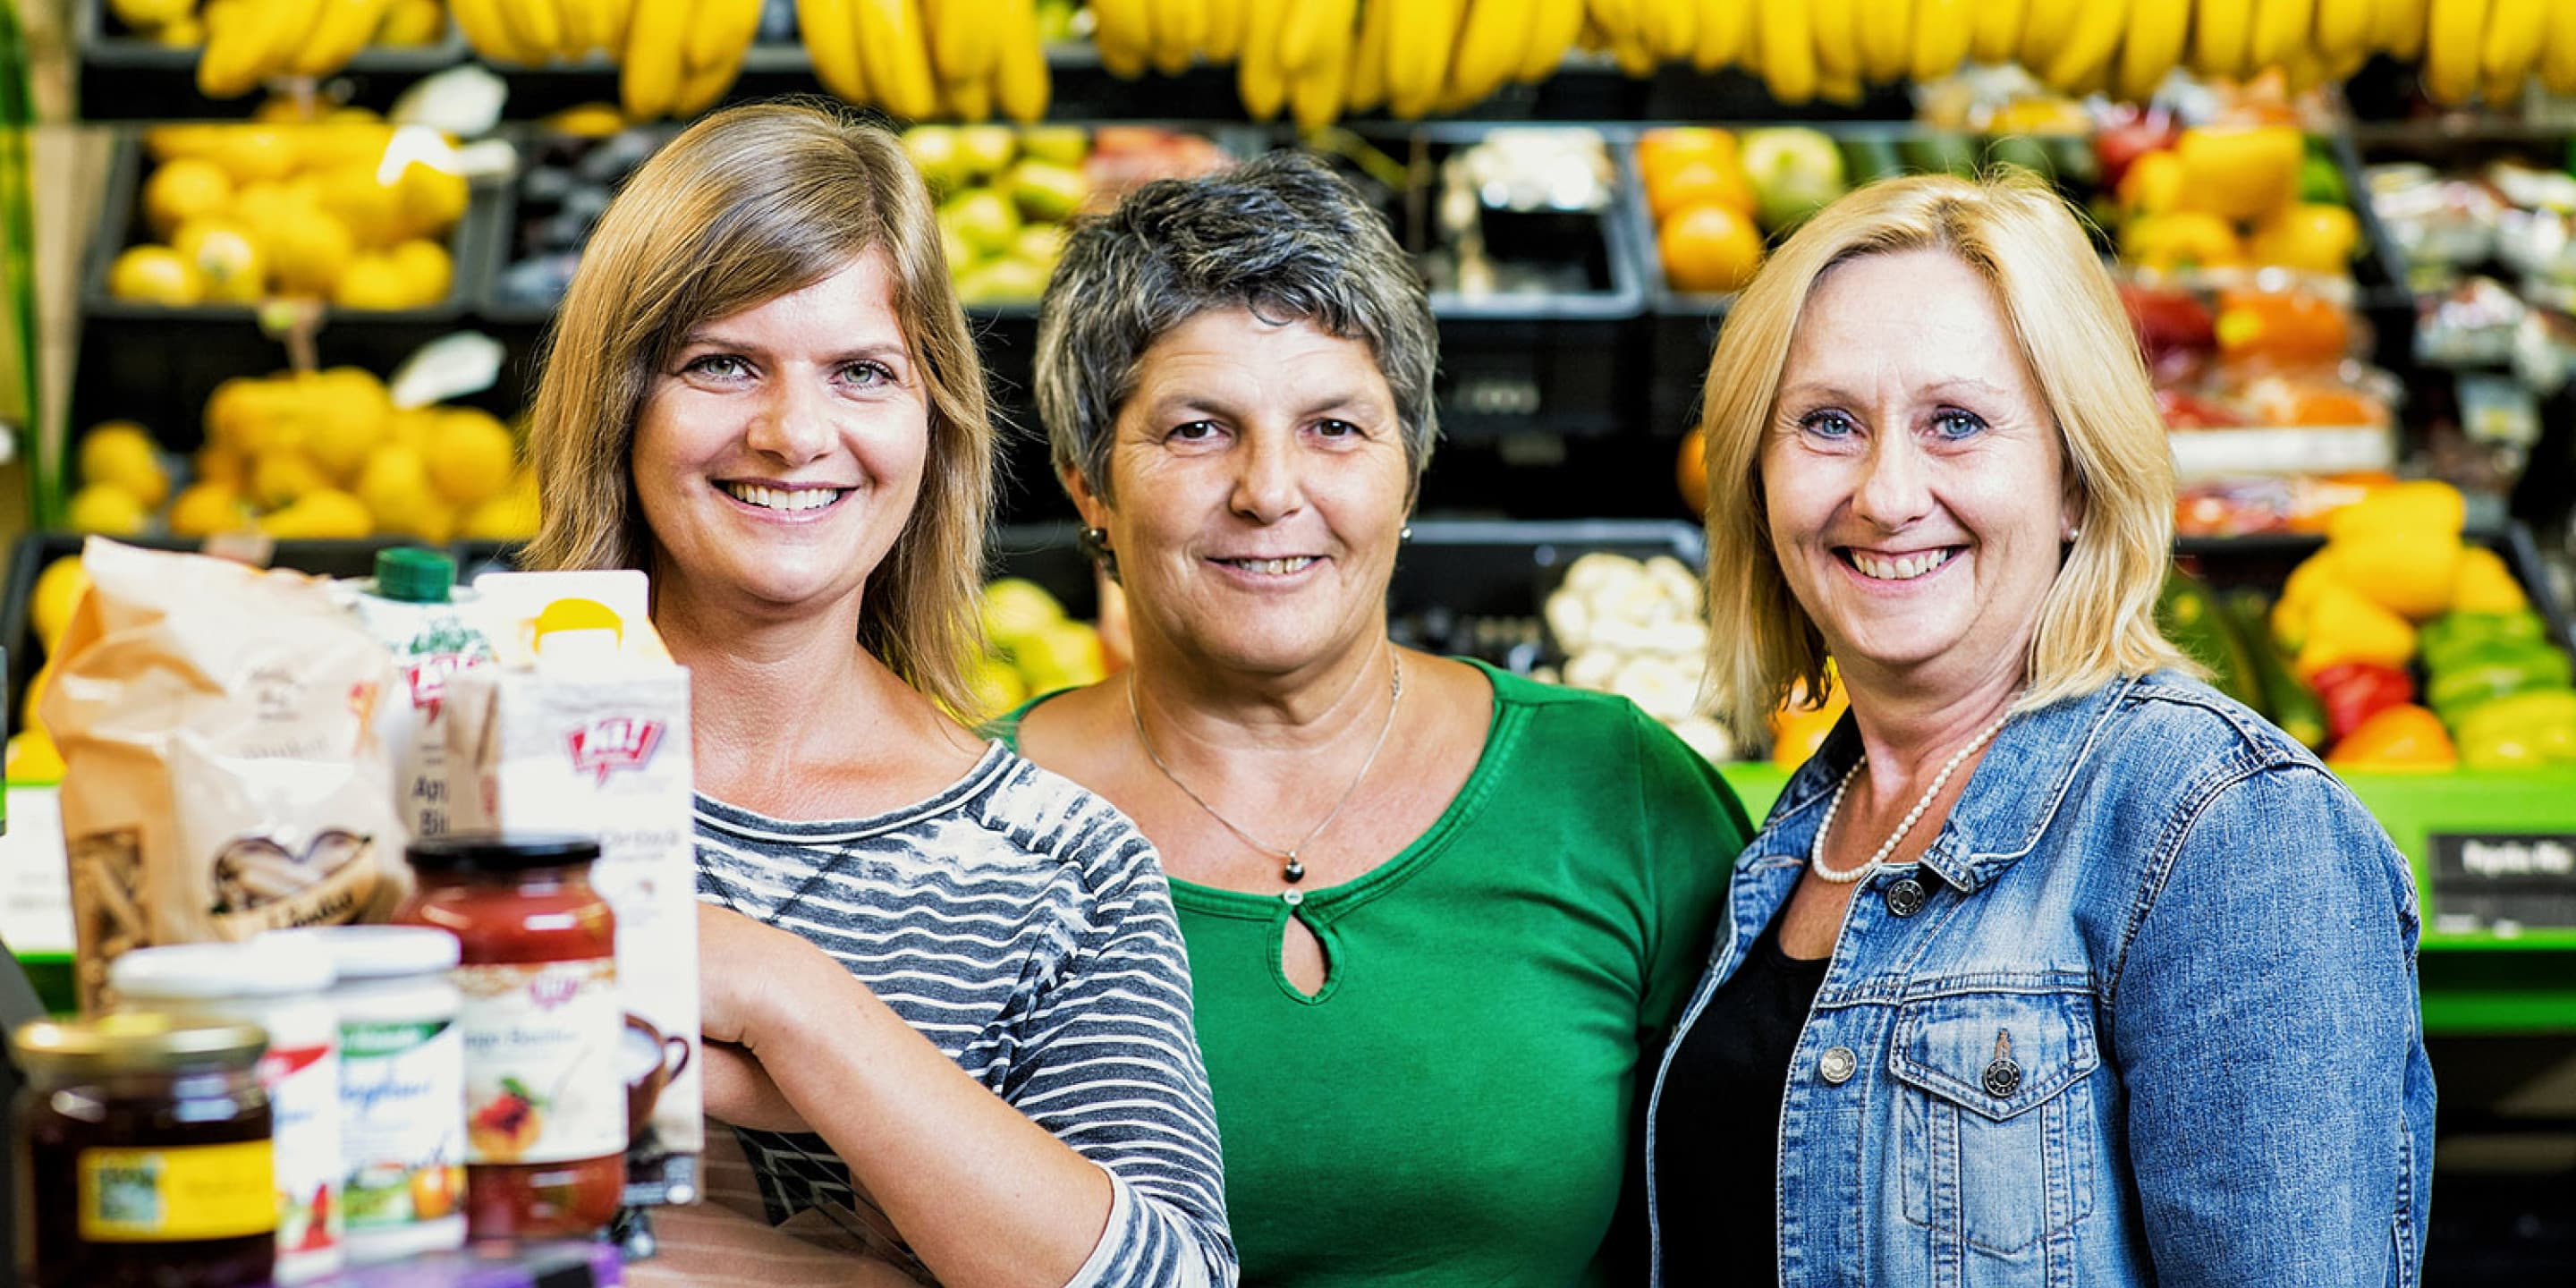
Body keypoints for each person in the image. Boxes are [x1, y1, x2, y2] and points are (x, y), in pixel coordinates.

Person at [1646, 170, 2436, 1284]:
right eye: (1828, 424)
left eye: (1956, 423)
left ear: (2074, 479)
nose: (1886, 492)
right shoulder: (1797, 840)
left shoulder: (2222, 832)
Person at [1002, 150, 1751, 1286]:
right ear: (1088, 483)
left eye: (1336, 428)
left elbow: (1743, 1220)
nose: (1269, 490)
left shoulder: (1620, 795)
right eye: (1198, 429)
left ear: (1410, 472)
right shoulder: (966, 833)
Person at [523, 102, 1234, 1288]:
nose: (794, 432)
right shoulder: (450, 764)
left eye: (861, 371)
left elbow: (1167, 1278)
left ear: (931, 423)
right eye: (721, 363)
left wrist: (788, 1002)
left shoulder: (1058, 872)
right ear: (618, 403)